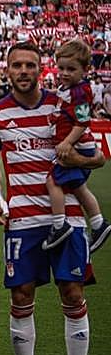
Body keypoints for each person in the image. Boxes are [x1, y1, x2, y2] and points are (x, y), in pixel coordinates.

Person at [0, 42, 102, 355]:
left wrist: (73, 152)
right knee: (20, 298)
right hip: (21, 222)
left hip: (65, 219)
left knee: (73, 295)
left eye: (30, 65)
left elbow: (96, 155)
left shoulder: (63, 106)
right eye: (16, 65)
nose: (23, 71)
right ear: (7, 70)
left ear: (40, 69)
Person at [42, 39, 109, 253]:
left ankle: (60, 225)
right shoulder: (68, 89)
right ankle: (98, 224)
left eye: (71, 69)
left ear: (86, 70)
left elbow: (82, 122)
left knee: (53, 181)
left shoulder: (79, 92)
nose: (64, 73)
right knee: (79, 187)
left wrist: (67, 142)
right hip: (78, 144)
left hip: (77, 145)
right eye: (61, 68)